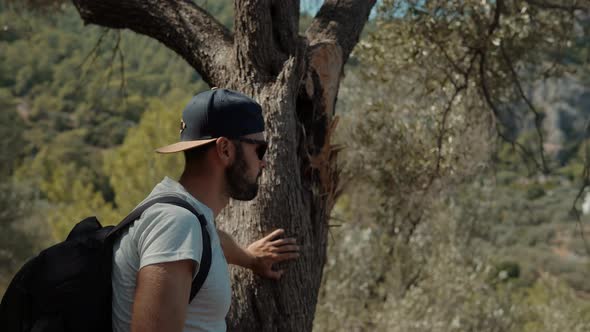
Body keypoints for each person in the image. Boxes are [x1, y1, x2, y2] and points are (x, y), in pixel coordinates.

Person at [111, 88, 300, 332]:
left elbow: (212, 239)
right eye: (259, 149)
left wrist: (250, 259)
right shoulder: (176, 224)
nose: (263, 162)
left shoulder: (185, 217)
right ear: (225, 149)